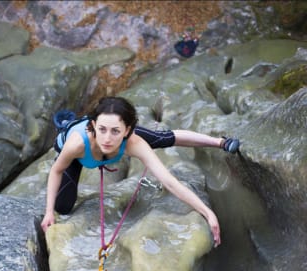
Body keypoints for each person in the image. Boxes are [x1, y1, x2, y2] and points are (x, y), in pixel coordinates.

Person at [41, 96, 240, 247]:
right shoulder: (76, 144)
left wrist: (207, 213)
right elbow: (56, 171)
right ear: (94, 125)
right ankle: (67, 124)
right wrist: (49, 212)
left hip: (116, 139)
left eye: (115, 131)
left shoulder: (133, 142)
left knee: (161, 138)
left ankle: (220, 141)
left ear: (127, 130)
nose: (107, 138)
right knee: (63, 207)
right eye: (102, 129)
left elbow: (169, 181)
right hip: (78, 153)